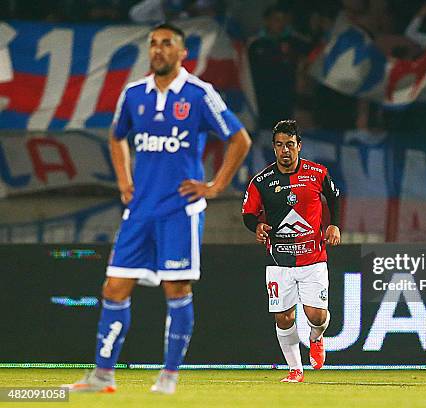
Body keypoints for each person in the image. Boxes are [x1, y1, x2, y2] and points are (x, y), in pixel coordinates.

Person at [64, 23, 252, 394]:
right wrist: (123, 181)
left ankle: (168, 376)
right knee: (114, 288)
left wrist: (215, 185)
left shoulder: (199, 94)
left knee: (176, 288)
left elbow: (239, 139)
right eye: (153, 44)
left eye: (167, 44)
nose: (158, 50)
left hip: (179, 211)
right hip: (140, 211)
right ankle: (103, 375)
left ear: (183, 53)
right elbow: (117, 137)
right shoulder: (134, 94)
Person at [241, 120, 341, 383]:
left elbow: (334, 197)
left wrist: (334, 224)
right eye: (279, 145)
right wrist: (258, 226)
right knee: (284, 317)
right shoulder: (262, 181)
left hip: (313, 258)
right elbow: (248, 215)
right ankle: (295, 369)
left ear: (299, 145)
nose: (285, 150)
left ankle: (316, 337)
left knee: (316, 316)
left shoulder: (317, 172)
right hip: (279, 260)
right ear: (274, 148)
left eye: (290, 145)